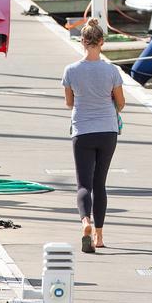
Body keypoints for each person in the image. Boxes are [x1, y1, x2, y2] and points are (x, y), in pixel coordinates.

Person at [62, 18, 125, 253]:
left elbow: (70, 103)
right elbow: (121, 103)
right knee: (100, 184)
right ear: (102, 42)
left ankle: (85, 222)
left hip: (82, 131)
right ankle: (99, 236)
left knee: (83, 185)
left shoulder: (71, 71)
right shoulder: (112, 71)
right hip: (108, 131)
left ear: (82, 42)